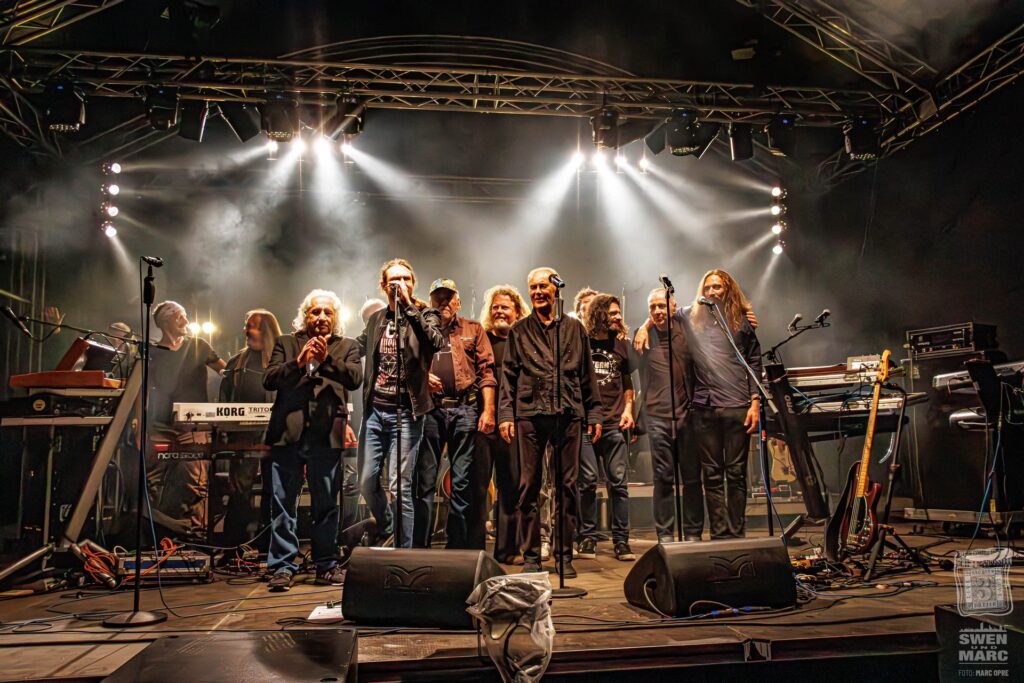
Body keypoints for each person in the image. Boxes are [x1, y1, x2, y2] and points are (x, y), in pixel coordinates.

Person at [498, 267, 602, 577]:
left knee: (567, 487)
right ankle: (531, 556)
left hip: (568, 412)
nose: (538, 292)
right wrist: (506, 414)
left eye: (543, 286)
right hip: (530, 413)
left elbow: (587, 373)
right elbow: (508, 376)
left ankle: (563, 555)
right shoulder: (519, 330)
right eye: (533, 287)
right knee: (529, 486)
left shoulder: (574, 328)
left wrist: (594, 412)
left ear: (556, 288)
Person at [263, 290, 362, 591]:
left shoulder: (347, 346)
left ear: (336, 317)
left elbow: (354, 378)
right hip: (287, 433)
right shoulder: (285, 342)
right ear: (304, 316)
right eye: (315, 312)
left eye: (327, 312)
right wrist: (299, 361)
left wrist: (325, 359)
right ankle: (282, 566)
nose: (321, 317)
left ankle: (326, 564)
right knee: (283, 503)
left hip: (326, 434)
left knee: (326, 504)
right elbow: (269, 379)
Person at [357, 259, 444, 548]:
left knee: (399, 486)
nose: (400, 284)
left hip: (407, 412)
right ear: (383, 285)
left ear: (413, 284)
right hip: (375, 411)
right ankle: (387, 527)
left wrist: (408, 307)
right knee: (367, 480)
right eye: (394, 280)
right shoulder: (376, 319)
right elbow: (355, 347)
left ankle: (402, 552)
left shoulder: (426, 314)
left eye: (406, 279)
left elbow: (435, 342)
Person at [412, 278, 496, 549]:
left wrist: (489, 410)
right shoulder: (421, 328)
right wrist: (423, 376)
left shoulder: (473, 329)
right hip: (431, 410)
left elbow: (487, 372)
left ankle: (456, 547)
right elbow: (408, 364)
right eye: (438, 297)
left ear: (458, 302)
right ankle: (420, 548)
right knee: (425, 481)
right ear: (430, 301)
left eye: (449, 297)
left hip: (465, 409)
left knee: (461, 482)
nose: (444, 302)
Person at [685, 270, 763, 539]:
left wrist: (755, 403)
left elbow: (754, 362)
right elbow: (665, 311)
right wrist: (644, 328)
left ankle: (737, 532)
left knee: (737, 472)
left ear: (728, 289)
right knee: (712, 474)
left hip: (737, 404)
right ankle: (719, 533)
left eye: (717, 287)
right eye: (707, 287)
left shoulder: (742, 321)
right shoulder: (692, 317)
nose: (711, 292)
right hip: (705, 406)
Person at [145, 301, 225, 539]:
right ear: (165, 321)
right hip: (160, 423)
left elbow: (226, 372)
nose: (186, 321)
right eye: (180, 316)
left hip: (194, 424)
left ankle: (195, 536)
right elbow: (144, 389)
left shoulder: (198, 345)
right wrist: (140, 423)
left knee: (195, 480)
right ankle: (152, 535)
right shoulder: (152, 353)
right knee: (151, 480)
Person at [632, 288, 697, 543]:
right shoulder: (644, 335)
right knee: (663, 477)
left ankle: (693, 532)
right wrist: (643, 326)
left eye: (662, 306)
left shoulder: (686, 330)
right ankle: (665, 533)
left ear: (673, 307)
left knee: (692, 477)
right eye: (652, 307)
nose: (657, 311)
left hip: (687, 414)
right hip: (657, 416)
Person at [577, 293, 636, 561]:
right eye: (612, 313)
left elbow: (627, 383)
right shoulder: (582, 343)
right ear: (599, 313)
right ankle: (587, 537)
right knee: (588, 482)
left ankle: (621, 541)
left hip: (614, 424)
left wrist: (628, 409)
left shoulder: (622, 345)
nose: (618, 317)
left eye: (618, 312)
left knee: (619, 484)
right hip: (587, 425)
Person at [218, 309, 281, 548]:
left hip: (276, 434)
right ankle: (233, 547)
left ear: (266, 330)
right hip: (243, 436)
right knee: (239, 491)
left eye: (252, 326)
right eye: (247, 325)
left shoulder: (280, 360)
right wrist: (226, 431)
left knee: (273, 490)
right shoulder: (237, 362)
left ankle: (268, 546)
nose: (246, 330)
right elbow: (224, 400)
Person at [477, 284, 530, 563]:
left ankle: (508, 550)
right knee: (477, 487)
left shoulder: (524, 341)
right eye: (495, 307)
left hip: (514, 424)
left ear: (517, 312)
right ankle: (473, 550)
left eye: (505, 307)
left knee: (510, 487)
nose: (499, 311)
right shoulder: (482, 339)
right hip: (483, 423)